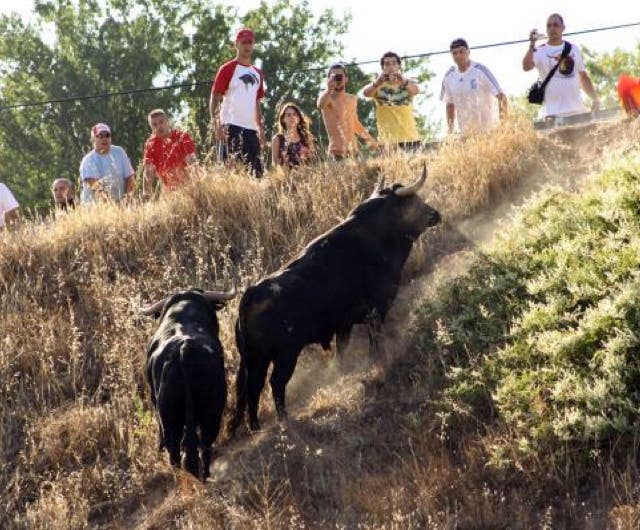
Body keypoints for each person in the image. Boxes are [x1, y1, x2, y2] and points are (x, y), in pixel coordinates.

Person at [210, 28, 265, 178]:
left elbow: (256, 102)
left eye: (250, 42)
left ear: (253, 44)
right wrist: (217, 124)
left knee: (256, 174)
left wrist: (260, 127)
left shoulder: (257, 73)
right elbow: (215, 97)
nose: (247, 46)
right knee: (229, 172)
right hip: (230, 126)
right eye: (243, 42)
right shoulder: (227, 69)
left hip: (251, 129)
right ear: (236, 44)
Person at [522, 13, 599, 119]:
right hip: (552, 115)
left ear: (563, 28)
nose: (552, 28)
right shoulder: (540, 50)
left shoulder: (573, 49)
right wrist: (532, 44)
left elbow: (584, 78)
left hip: (578, 112)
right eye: (548, 25)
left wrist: (595, 98)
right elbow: (526, 67)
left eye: (555, 25)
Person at [440, 38, 507, 135]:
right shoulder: (449, 76)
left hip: (488, 131)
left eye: (461, 51)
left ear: (468, 52)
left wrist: (504, 126)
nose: (458, 55)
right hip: (466, 133)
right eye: (454, 53)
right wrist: (450, 131)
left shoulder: (480, 71)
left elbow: (502, 97)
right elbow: (450, 105)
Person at [317, 63, 379, 160]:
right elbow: (320, 105)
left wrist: (371, 140)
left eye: (340, 76)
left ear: (346, 79)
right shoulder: (327, 98)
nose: (337, 79)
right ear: (328, 80)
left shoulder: (352, 99)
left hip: (354, 151)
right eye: (333, 77)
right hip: (336, 152)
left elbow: (355, 123)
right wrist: (329, 89)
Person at [362, 51, 422, 150]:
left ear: (399, 66)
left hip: (410, 138)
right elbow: (366, 93)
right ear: (382, 68)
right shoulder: (377, 85)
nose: (391, 67)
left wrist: (402, 80)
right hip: (387, 141)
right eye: (387, 64)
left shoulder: (407, 82)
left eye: (394, 63)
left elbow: (416, 90)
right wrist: (378, 82)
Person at [142, 109, 197, 197]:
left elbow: (192, 161)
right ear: (151, 128)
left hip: (191, 188)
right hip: (170, 194)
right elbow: (148, 171)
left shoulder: (182, 136)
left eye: (161, 122)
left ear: (168, 122)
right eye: (154, 124)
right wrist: (146, 194)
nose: (159, 127)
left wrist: (196, 187)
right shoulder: (150, 144)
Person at [79, 123, 136, 204]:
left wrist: (127, 200)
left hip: (120, 204)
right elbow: (95, 187)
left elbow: (130, 178)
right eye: (100, 136)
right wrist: (112, 206)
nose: (104, 138)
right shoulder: (88, 160)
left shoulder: (119, 152)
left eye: (107, 135)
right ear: (93, 139)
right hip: (96, 208)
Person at [271, 103, 315, 168]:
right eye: (288, 115)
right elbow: (275, 164)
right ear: (283, 119)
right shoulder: (277, 139)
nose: (292, 117)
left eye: (295, 114)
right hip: (285, 176)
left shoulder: (307, 136)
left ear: (299, 118)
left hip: (305, 175)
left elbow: (312, 161)